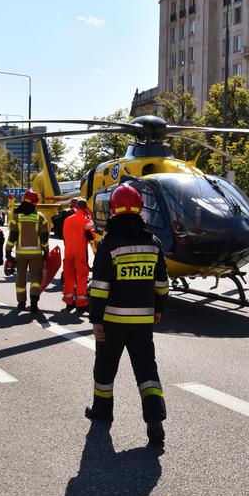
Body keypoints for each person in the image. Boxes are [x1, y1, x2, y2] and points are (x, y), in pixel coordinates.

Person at [85, 183, 169, 445]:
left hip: (113, 322)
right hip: (143, 322)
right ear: (139, 210)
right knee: (146, 371)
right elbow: (162, 285)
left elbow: (99, 288)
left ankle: (102, 412)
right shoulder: (154, 244)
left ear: (113, 211)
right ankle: (154, 419)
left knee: (106, 368)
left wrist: (96, 319)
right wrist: (158, 309)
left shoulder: (108, 244)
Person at [5, 189, 49, 312]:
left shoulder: (16, 217)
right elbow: (44, 238)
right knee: (36, 277)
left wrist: (8, 251)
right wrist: (46, 251)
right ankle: (34, 299)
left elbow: (12, 237)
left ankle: (21, 302)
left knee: (20, 277)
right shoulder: (41, 218)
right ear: (35, 203)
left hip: (20, 254)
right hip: (36, 254)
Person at [62, 198, 95, 310]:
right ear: (85, 207)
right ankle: (81, 303)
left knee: (69, 277)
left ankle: (68, 301)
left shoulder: (67, 220)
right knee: (81, 277)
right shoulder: (86, 220)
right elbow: (91, 236)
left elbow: (64, 236)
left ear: (76, 206)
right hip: (80, 252)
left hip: (68, 252)